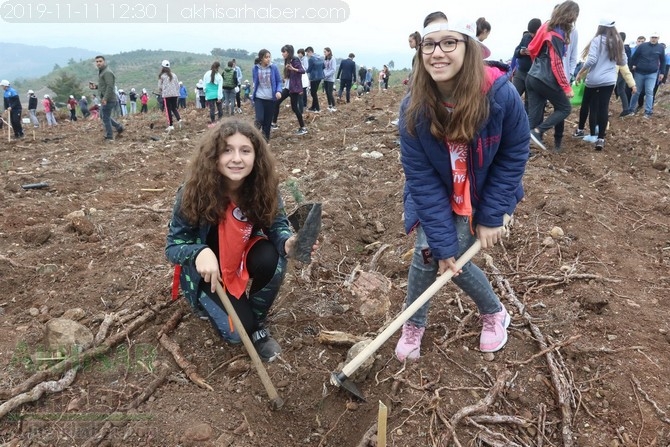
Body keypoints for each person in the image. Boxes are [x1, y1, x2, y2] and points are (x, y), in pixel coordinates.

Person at [395, 13, 529, 362]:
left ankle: (493, 313)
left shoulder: (500, 95)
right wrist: (441, 242)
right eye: (429, 44)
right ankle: (419, 321)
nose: (437, 53)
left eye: (449, 42)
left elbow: (514, 153)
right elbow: (420, 177)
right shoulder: (414, 108)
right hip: (439, 193)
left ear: (469, 49)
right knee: (434, 255)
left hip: (482, 195)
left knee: (441, 258)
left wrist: (493, 214)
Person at [165, 118, 315, 362]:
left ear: (256, 156)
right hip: (209, 275)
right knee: (235, 336)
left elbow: (276, 226)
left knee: (273, 257)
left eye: (245, 151)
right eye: (227, 150)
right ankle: (224, 311)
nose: (237, 158)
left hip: (241, 257)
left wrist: (288, 242)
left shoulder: (264, 187)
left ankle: (254, 321)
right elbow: (173, 246)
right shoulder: (193, 192)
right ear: (214, 156)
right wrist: (199, 252)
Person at [525, 1, 579, 151]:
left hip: (532, 75)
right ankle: (538, 131)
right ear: (571, 15)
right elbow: (556, 63)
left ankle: (523, 148)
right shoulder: (557, 33)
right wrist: (566, 87)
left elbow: (531, 49)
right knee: (565, 108)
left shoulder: (546, 26)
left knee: (533, 116)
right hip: (545, 78)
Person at [573, 19, 627, 150]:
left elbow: (591, 60)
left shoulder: (597, 40)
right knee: (603, 108)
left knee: (586, 103)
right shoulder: (618, 41)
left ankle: (580, 130)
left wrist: (581, 71)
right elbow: (623, 61)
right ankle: (600, 139)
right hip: (609, 80)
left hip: (594, 79)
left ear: (600, 27)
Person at [627, 32, 665, 118]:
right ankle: (631, 110)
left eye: (655, 37)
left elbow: (662, 61)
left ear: (658, 38)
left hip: (652, 74)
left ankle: (648, 112)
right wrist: (633, 65)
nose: (653, 39)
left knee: (649, 92)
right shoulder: (643, 46)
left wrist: (662, 73)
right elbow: (634, 57)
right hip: (639, 72)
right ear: (650, 37)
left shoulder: (660, 48)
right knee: (636, 92)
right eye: (652, 37)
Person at [274, 44, 307, 135]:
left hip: (294, 88)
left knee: (294, 108)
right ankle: (274, 123)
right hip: (288, 87)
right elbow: (288, 74)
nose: (282, 54)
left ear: (288, 52)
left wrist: (293, 68)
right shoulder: (287, 60)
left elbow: (302, 71)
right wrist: (285, 78)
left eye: (284, 52)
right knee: (277, 102)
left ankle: (303, 127)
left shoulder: (295, 60)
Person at [512, 18, 543, 112]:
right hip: (520, 73)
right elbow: (516, 52)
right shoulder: (526, 37)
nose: (532, 35)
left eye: (534, 33)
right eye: (531, 33)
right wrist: (521, 52)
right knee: (513, 96)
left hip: (533, 75)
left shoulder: (543, 40)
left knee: (529, 103)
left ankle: (526, 124)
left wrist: (534, 53)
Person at [252, 49, 283, 141]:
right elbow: (255, 81)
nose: (268, 59)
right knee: (259, 119)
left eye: (269, 57)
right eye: (266, 57)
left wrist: (278, 91)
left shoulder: (274, 67)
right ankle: (253, 136)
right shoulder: (255, 68)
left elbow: (279, 81)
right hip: (259, 97)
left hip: (271, 98)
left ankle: (265, 142)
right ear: (261, 58)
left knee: (267, 122)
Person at [92, 56, 123, 140]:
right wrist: (96, 87)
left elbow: (110, 86)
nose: (98, 63)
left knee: (105, 117)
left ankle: (109, 136)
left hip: (109, 99)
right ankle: (118, 126)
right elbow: (104, 86)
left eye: (100, 61)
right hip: (105, 98)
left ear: (104, 62)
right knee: (103, 115)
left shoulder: (107, 72)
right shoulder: (102, 72)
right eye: (97, 61)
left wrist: (105, 98)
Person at [157, 60, 182, 130]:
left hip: (166, 95)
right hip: (175, 94)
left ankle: (171, 125)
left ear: (162, 67)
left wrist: (163, 90)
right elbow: (178, 85)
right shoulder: (174, 75)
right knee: (174, 108)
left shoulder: (162, 76)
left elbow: (159, 87)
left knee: (168, 110)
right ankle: (179, 119)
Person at [204, 61, 224, 126]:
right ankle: (220, 122)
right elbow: (220, 88)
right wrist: (219, 97)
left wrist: (206, 94)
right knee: (220, 109)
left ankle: (213, 122)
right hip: (217, 94)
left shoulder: (206, 74)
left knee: (212, 109)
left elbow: (204, 86)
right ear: (218, 67)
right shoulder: (219, 76)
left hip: (209, 95)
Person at [305, 46, 324, 112]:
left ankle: (317, 108)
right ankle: (313, 107)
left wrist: (304, 71)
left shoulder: (311, 59)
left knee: (313, 93)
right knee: (314, 92)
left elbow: (309, 69)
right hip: (320, 76)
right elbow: (323, 66)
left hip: (314, 77)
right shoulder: (320, 57)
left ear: (310, 52)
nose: (307, 55)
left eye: (307, 53)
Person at [323, 47, 337, 111]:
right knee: (327, 92)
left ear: (329, 52)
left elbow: (333, 69)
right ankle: (329, 105)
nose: (324, 53)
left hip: (330, 79)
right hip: (325, 78)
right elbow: (324, 68)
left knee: (330, 92)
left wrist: (327, 74)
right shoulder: (325, 59)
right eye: (324, 52)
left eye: (325, 52)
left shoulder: (333, 59)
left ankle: (334, 106)